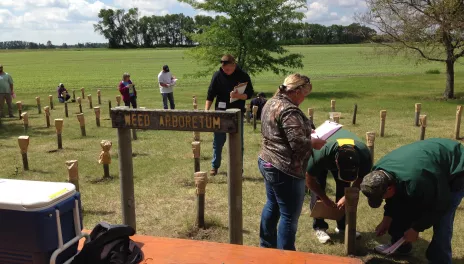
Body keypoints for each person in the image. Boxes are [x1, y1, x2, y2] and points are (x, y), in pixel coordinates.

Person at [360, 138, 464, 263]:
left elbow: (441, 204)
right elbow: (394, 198)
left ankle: (440, 260)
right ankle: (401, 247)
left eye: (382, 197)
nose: (382, 200)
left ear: (389, 188)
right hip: (429, 163)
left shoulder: (417, 181)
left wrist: (417, 229)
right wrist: (387, 217)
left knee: (442, 220)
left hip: (457, 166)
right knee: (405, 203)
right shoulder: (379, 171)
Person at [258, 73, 326, 250]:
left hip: (267, 160)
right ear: (296, 91)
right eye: (305, 93)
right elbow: (297, 144)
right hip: (285, 168)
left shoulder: (271, 102)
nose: (305, 98)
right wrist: (314, 142)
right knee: (289, 215)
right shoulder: (289, 110)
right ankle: (286, 256)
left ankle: (266, 247)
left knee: (272, 205)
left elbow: (280, 133)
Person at [306, 128, 372, 244]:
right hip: (325, 153)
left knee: (345, 188)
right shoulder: (320, 154)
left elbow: (361, 178)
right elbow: (310, 180)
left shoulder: (364, 155)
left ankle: (342, 227)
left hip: (338, 154)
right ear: (336, 163)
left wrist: (346, 197)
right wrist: (325, 199)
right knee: (319, 187)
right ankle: (319, 227)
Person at [205, 54, 254, 176]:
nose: (225, 71)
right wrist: (206, 111)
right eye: (223, 69)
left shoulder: (243, 76)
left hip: (236, 113)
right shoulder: (217, 75)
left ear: (234, 65)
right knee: (218, 141)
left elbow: (250, 94)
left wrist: (238, 96)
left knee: (238, 143)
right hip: (220, 113)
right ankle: (214, 166)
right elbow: (211, 94)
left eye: (228, 69)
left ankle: (238, 168)